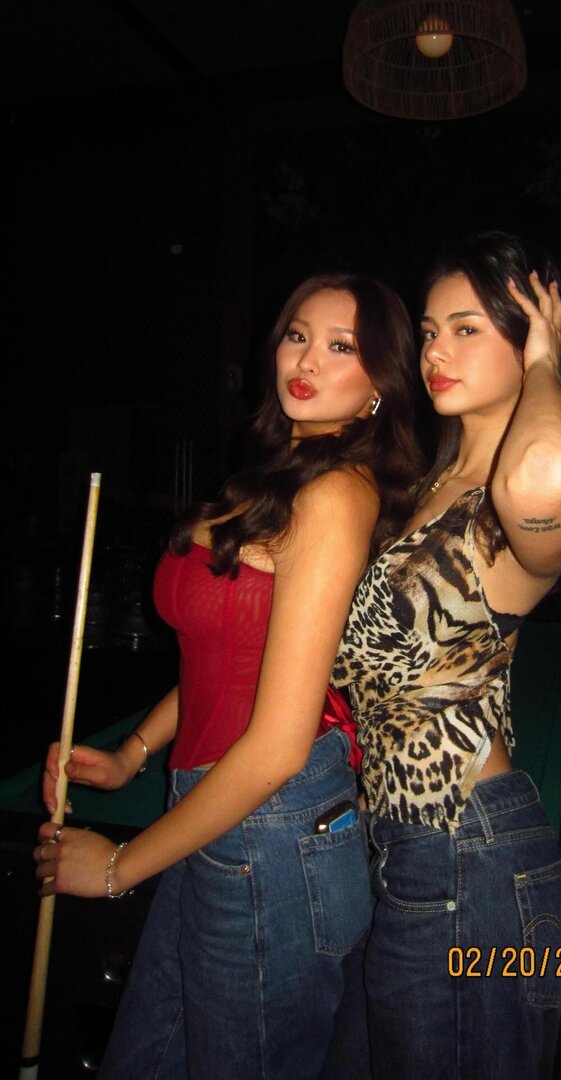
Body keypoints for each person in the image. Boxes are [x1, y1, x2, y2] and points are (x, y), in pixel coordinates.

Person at [34, 272, 423, 1079]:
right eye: (296, 335)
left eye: (341, 346)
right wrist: (133, 753)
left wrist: (117, 868)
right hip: (216, 811)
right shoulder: (272, 481)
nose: (305, 359)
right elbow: (229, 657)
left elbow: (278, 744)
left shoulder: (336, 495)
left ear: (379, 386)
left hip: (273, 828)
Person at [331, 231, 561, 1079]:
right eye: (428, 329)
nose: (434, 350)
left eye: (467, 328)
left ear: (526, 339)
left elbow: (545, 473)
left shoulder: (508, 503)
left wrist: (547, 360)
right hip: (408, 847)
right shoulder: (430, 486)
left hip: (466, 850)